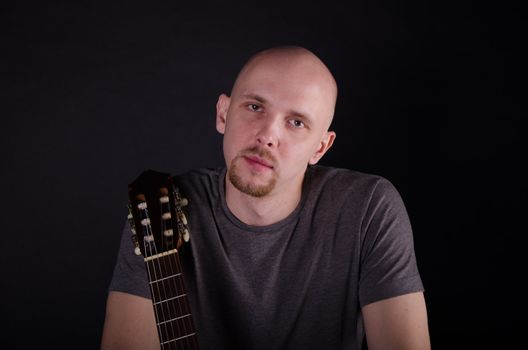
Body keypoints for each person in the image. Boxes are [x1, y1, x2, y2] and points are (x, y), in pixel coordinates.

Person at [100, 46, 430, 350]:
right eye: (255, 106)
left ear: (320, 147)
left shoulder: (368, 208)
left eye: (296, 122)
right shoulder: (158, 206)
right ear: (223, 114)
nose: (267, 135)